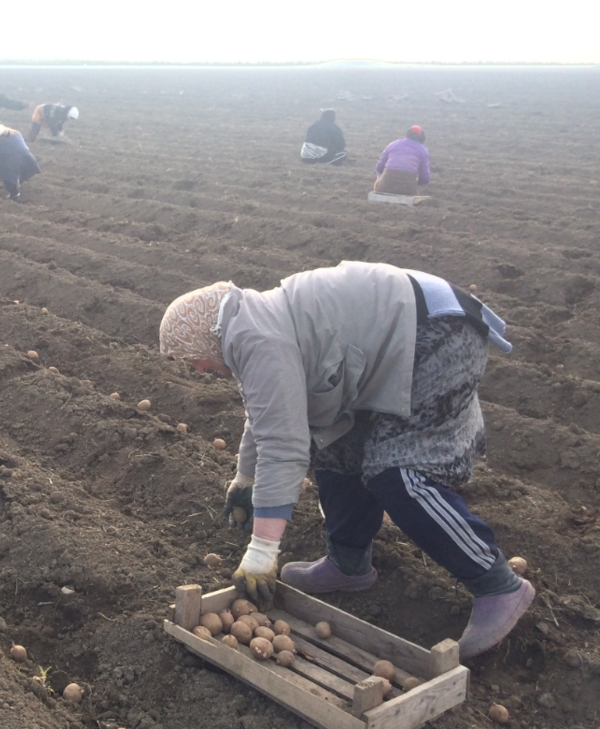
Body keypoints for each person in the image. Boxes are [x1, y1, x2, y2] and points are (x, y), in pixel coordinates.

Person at [158, 261, 534, 659]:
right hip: (399, 338)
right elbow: (266, 411)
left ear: (202, 336)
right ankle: (349, 562)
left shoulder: (254, 335)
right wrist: (245, 477)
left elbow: (284, 444)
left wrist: (262, 553)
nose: (198, 368)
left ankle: (496, 583)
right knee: (337, 447)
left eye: (190, 358)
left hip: (437, 335)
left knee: (398, 474)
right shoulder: (244, 327)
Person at [374, 126, 430, 195]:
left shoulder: (393, 144)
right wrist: (416, 184)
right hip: (408, 190)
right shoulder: (423, 150)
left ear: (407, 135)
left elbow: (379, 168)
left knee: (378, 178)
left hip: (385, 187)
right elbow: (425, 178)